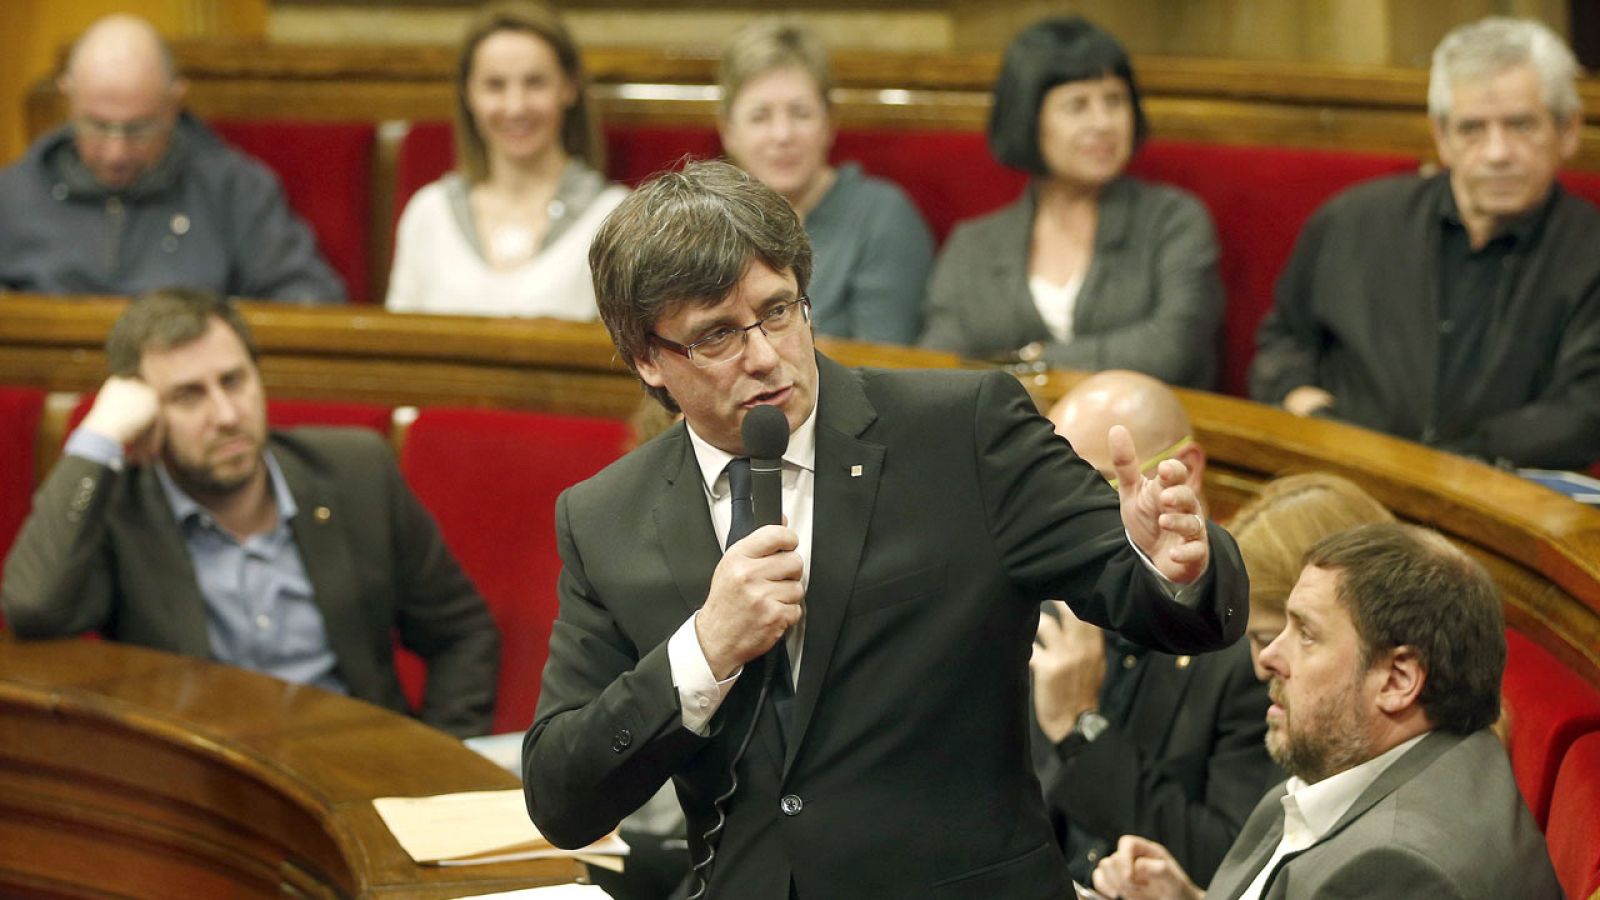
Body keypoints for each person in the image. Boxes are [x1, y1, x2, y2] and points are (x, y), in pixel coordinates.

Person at [522, 160, 1248, 899]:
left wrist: (1174, 564)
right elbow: (562, 798)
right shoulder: (605, 516)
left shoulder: (962, 430)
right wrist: (703, 651)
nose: (767, 357)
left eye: (778, 310)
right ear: (647, 358)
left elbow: (1159, 603)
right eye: (716, 337)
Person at [0, 290, 498, 739]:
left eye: (234, 381)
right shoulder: (119, 512)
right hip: (203, 798)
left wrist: (440, 762)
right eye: (188, 396)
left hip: (363, 773)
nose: (226, 415)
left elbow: (462, 633)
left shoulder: (356, 472)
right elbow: (33, 607)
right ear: (147, 413)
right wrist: (100, 434)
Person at [1092, 523, 1560, 899]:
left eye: (1307, 634)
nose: (1270, 658)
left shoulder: (1399, 870)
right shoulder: (1370, 759)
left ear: (1397, 680)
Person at [1250, 16, 1600, 471]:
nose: (1497, 153)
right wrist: (1299, 399)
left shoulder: (1589, 250)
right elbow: (1283, 339)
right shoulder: (1354, 219)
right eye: (1472, 129)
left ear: (1567, 131)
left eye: (1520, 125)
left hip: (1504, 503)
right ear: (1442, 137)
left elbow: (1585, 410)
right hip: (1343, 479)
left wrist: (1445, 465)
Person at [1032, 371, 1278, 886]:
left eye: (1093, 483)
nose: (1063, 516)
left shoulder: (1257, 640)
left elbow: (1231, 862)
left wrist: (1081, 730)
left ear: (1184, 470)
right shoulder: (1047, 603)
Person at [921, 17, 1223, 389]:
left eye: (1114, 100)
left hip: (1141, 438)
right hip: (1001, 442)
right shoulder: (974, 245)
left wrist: (1028, 362)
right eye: (1077, 105)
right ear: (1028, 120)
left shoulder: (1173, 221)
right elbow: (939, 367)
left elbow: (1172, 350)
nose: (1103, 123)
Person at [0, 15, 344, 303]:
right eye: (98, 125)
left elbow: (311, 300)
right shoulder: (13, 193)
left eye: (138, 129)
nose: (116, 152)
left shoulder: (235, 190)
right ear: (68, 98)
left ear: (174, 102)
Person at [385, 1, 627, 318]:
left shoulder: (615, 219)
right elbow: (399, 351)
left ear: (569, 87)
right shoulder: (427, 212)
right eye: (495, 85)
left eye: (535, 83)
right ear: (468, 94)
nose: (515, 107)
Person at [717, 19, 933, 345]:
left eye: (801, 113)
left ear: (830, 122)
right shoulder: (710, 223)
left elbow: (885, 370)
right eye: (760, 117)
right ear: (728, 131)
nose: (782, 135)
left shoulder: (883, 216)